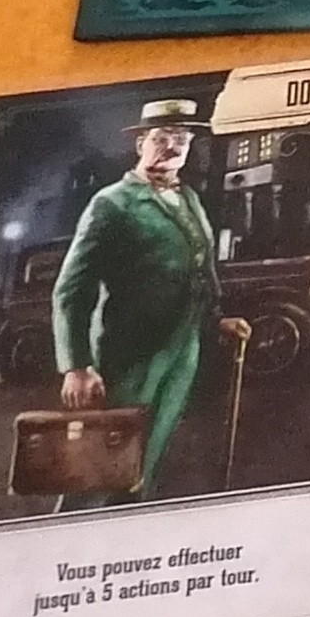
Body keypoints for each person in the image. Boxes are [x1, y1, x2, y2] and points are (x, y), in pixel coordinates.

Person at [52, 97, 227, 492]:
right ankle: (82, 526)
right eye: (162, 138)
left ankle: (133, 515)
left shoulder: (188, 199)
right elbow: (72, 287)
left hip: (181, 348)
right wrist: (76, 366)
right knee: (106, 460)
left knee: (149, 454)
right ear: (140, 144)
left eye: (182, 139)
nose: (173, 148)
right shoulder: (112, 203)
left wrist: (217, 318)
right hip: (129, 352)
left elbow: (202, 268)